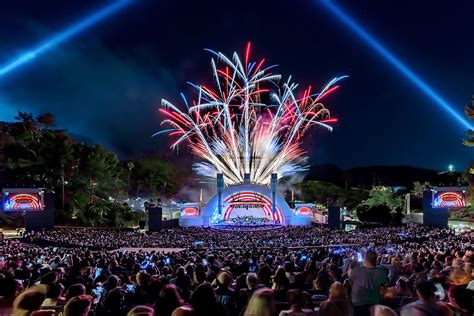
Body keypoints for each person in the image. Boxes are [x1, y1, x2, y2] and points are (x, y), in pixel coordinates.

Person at [349, 250, 388, 316]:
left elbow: (350, 282)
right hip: (374, 303)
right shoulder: (381, 271)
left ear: (365, 259)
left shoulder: (357, 270)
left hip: (358, 304)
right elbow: (385, 285)